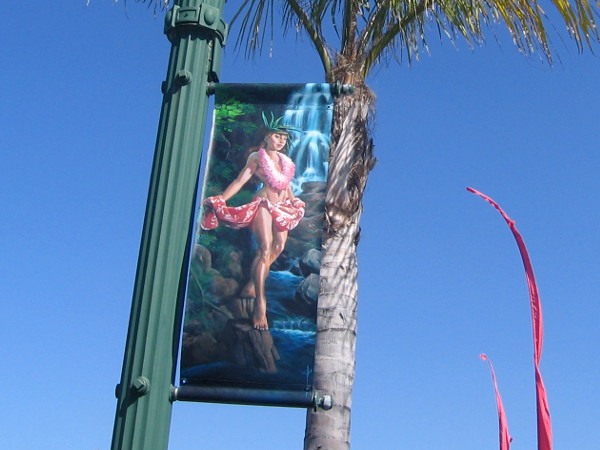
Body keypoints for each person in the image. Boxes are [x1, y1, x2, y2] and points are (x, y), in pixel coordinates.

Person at [201, 115, 305, 330]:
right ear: (267, 137)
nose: (281, 141)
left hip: (282, 207)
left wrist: (293, 200)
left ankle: (251, 283)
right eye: (277, 136)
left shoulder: (285, 161)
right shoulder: (257, 157)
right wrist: (222, 199)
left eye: (284, 138)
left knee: (279, 246)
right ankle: (260, 304)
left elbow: (285, 185)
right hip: (264, 204)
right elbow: (240, 180)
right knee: (265, 248)